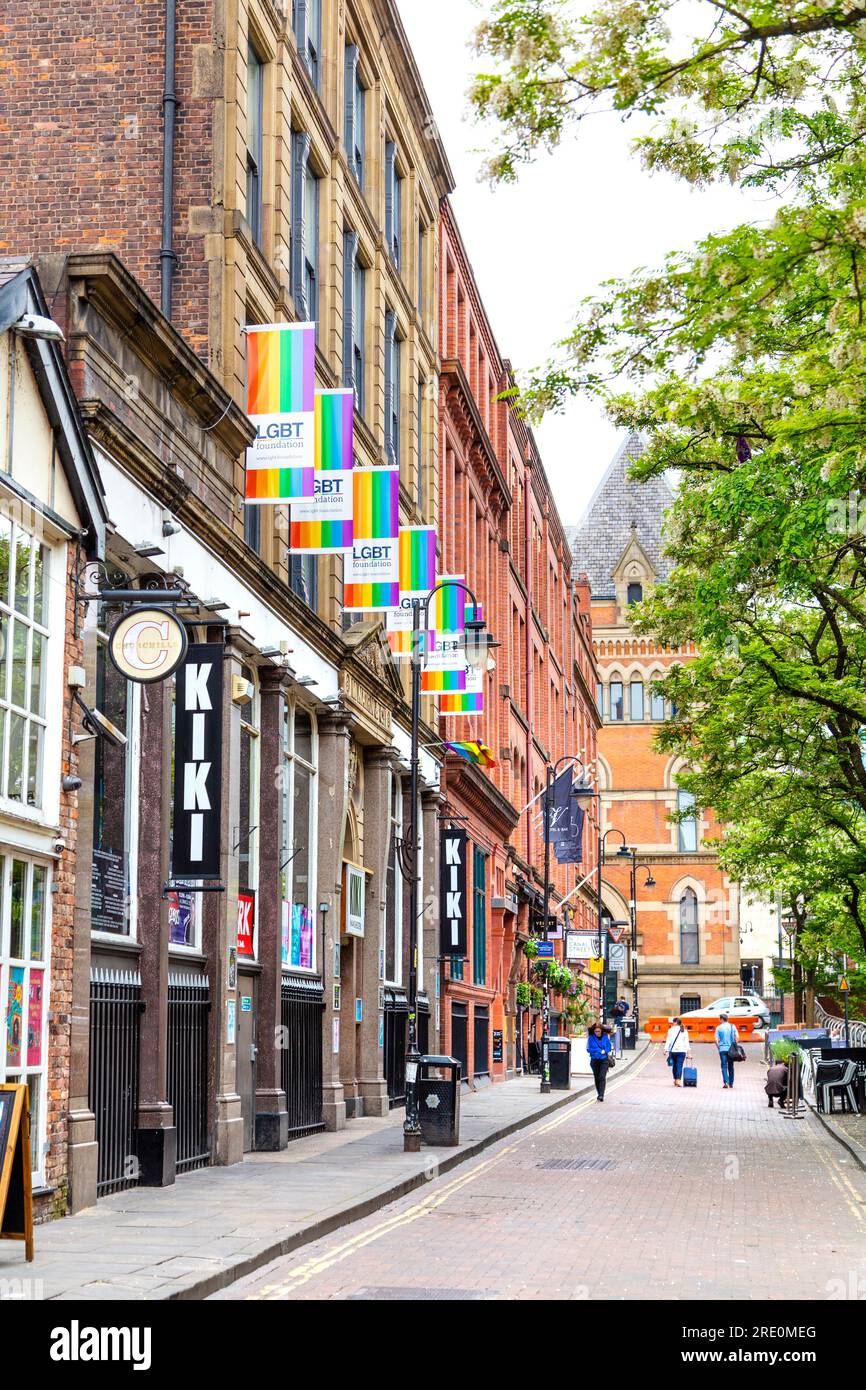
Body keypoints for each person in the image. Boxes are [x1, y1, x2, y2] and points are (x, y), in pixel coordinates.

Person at [587, 1022, 613, 1101]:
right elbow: (589, 1049)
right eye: (596, 1031)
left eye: (598, 1031)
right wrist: (599, 1050)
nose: (597, 1033)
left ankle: (601, 1095)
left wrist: (605, 1051)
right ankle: (599, 1093)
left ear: (601, 1031)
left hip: (604, 1060)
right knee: (597, 1077)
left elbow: (609, 1047)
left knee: (602, 1077)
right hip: (594, 1060)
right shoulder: (591, 1038)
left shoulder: (605, 1037)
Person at [663, 1016, 692, 1086]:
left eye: (673, 1022)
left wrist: (665, 1049)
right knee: (679, 1066)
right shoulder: (684, 1031)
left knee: (674, 1066)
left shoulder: (671, 1030)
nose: (673, 1023)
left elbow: (668, 1041)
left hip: (673, 1051)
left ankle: (675, 1079)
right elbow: (686, 1043)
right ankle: (678, 1080)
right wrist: (689, 1053)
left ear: (675, 1022)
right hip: (682, 1051)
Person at [715, 1012, 740, 1089]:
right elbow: (737, 1037)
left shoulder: (718, 1028)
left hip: (722, 1049)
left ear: (722, 1019)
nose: (719, 1020)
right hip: (731, 1049)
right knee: (731, 1066)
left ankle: (726, 1082)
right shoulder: (732, 1026)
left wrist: (718, 1047)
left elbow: (716, 1040)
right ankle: (731, 1083)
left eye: (720, 1019)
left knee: (724, 1066)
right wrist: (735, 1045)